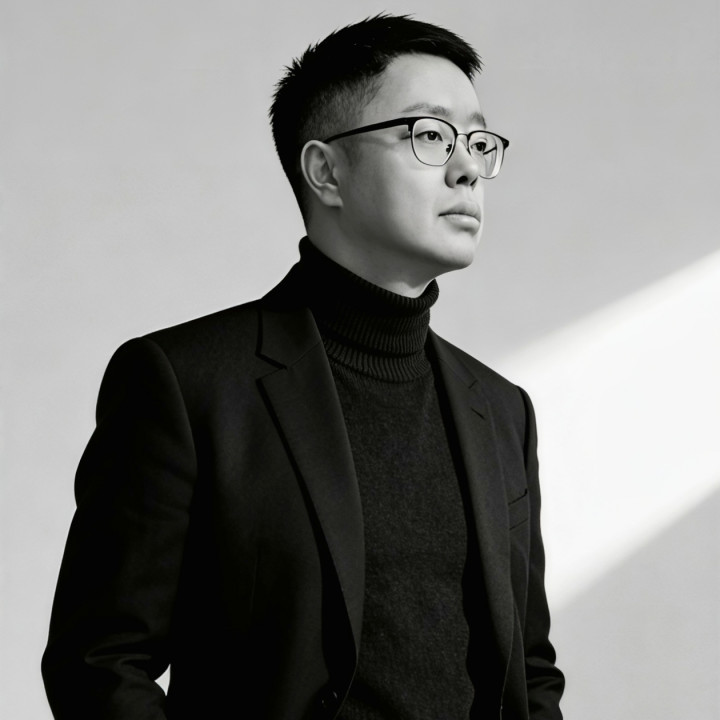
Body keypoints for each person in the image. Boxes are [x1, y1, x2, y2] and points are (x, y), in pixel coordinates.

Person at [42, 14, 564, 720]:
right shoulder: (186, 384)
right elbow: (99, 661)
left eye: (477, 140)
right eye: (430, 134)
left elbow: (529, 671)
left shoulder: (501, 410)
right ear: (326, 171)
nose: (467, 167)